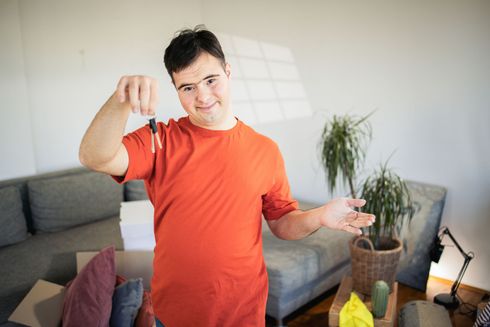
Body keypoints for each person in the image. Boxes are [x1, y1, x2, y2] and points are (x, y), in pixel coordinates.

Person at [79, 25, 375, 327]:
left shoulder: (265, 149)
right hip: (174, 313)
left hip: (243, 312)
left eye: (210, 80)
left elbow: (282, 222)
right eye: (188, 87)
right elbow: (95, 156)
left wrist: (321, 215)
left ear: (228, 72)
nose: (203, 96)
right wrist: (122, 99)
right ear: (176, 89)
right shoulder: (161, 140)